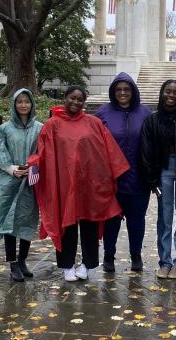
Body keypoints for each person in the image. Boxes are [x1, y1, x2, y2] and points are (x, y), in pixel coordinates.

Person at [28, 86, 130, 282]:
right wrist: (33, 164)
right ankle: (67, 265)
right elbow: (43, 152)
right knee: (67, 224)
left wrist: (111, 175)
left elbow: (109, 149)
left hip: (90, 183)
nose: (75, 102)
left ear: (84, 102)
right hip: (64, 183)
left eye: (79, 99)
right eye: (71, 98)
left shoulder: (94, 123)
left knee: (90, 224)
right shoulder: (52, 124)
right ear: (65, 98)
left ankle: (87, 264)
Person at [0, 89, 43, 282]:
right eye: (19, 102)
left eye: (27, 101)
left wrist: (33, 168)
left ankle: (23, 260)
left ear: (32, 104)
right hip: (10, 181)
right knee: (9, 222)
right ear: (14, 105)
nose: (23, 105)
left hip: (31, 181)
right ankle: (13, 264)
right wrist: (11, 168)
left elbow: (44, 151)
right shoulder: (5, 129)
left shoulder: (40, 128)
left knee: (26, 220)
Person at [96, 73, 152, 272]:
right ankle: (108, 256)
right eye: (118, 89)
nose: (122, 93)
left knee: (137, 220)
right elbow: (92, 142)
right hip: (112, 179)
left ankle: (135, 254)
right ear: (113, 91)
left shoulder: (145, 113)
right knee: (111, 220)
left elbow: (153, 143)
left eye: (126, 89)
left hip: (138, 178)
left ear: (133, 91)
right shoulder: (103, 113)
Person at [140, 80, 176, 280]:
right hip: (163, 170)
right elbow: (146, 150)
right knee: (164, 216)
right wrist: (151, 178)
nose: (171, 95)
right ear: (162, 93)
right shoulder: (152, 120)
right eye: (168, 91)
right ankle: (165, 262)